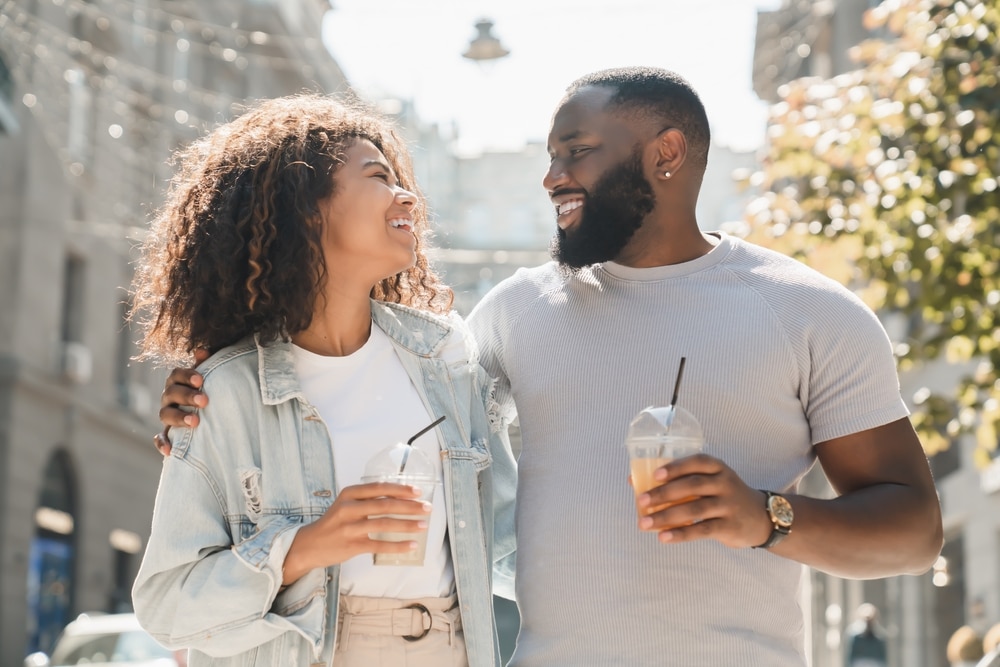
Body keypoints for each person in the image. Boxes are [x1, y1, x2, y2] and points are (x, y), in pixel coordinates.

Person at [155, 67, 943, 666]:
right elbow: (372, 395)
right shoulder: (500, 320)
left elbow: (912, 532)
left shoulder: (811, 313)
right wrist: (206, 400)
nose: (552, 177)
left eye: (577, 152)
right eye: (549, 155)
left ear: (666, 154)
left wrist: (764, 517)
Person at [130, 94, 516, 667]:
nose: (407, 195)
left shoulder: (446, 355)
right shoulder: (224, 391)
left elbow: (508, 535)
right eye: (378, 177)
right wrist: (307, 547)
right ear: (307, 209)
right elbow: (166, 607)